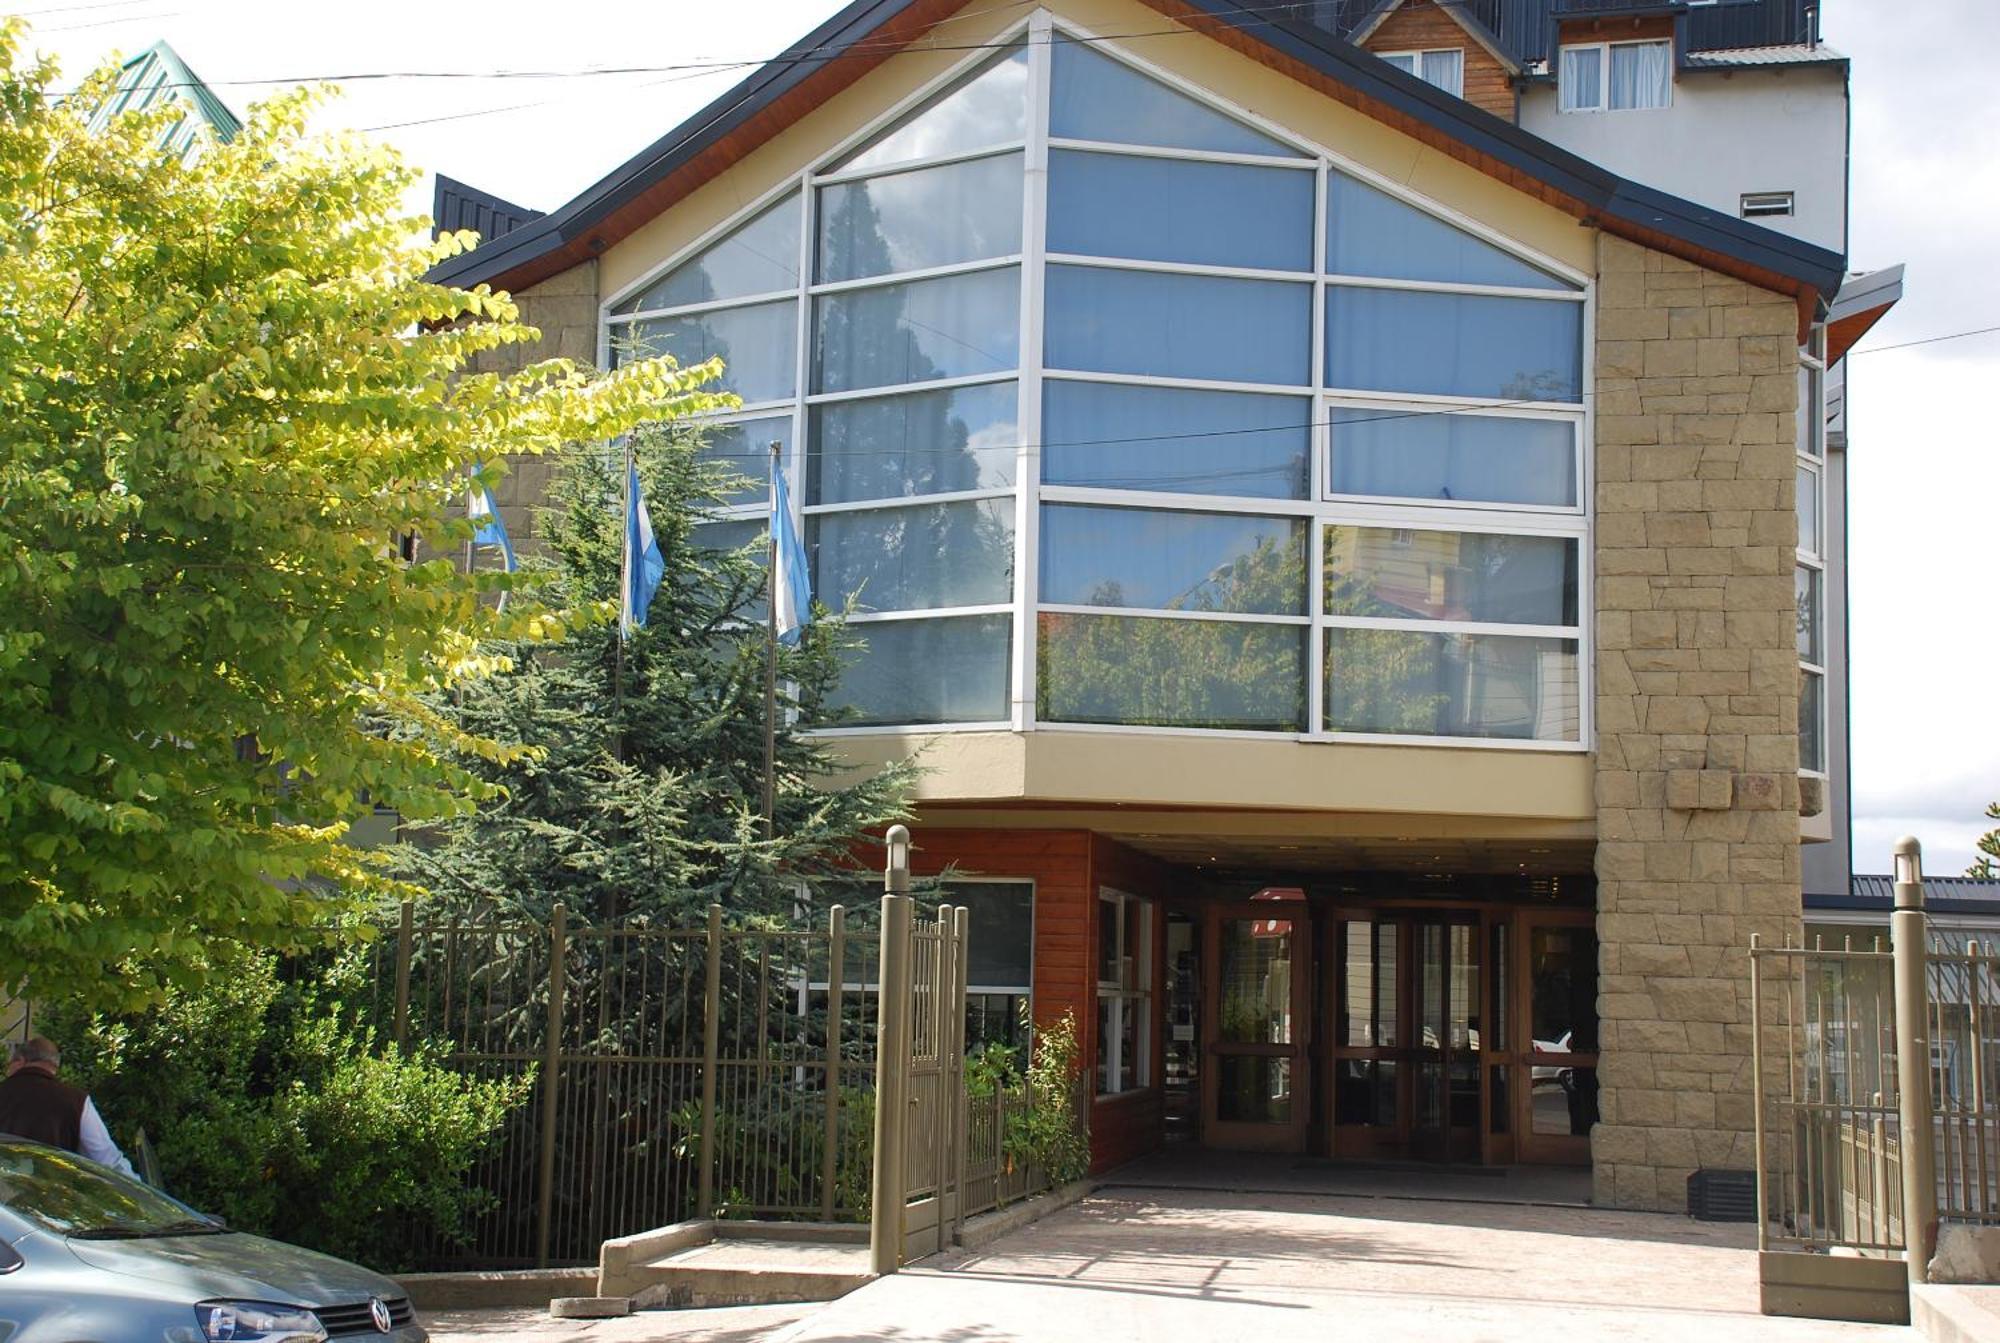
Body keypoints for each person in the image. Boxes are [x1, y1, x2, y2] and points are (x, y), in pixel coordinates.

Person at [0, 1036, 136, 1177]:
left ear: (20, 1061)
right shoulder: (76, 1101)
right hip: (49, 1193)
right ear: (54, 1066)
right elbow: (108, 1160)